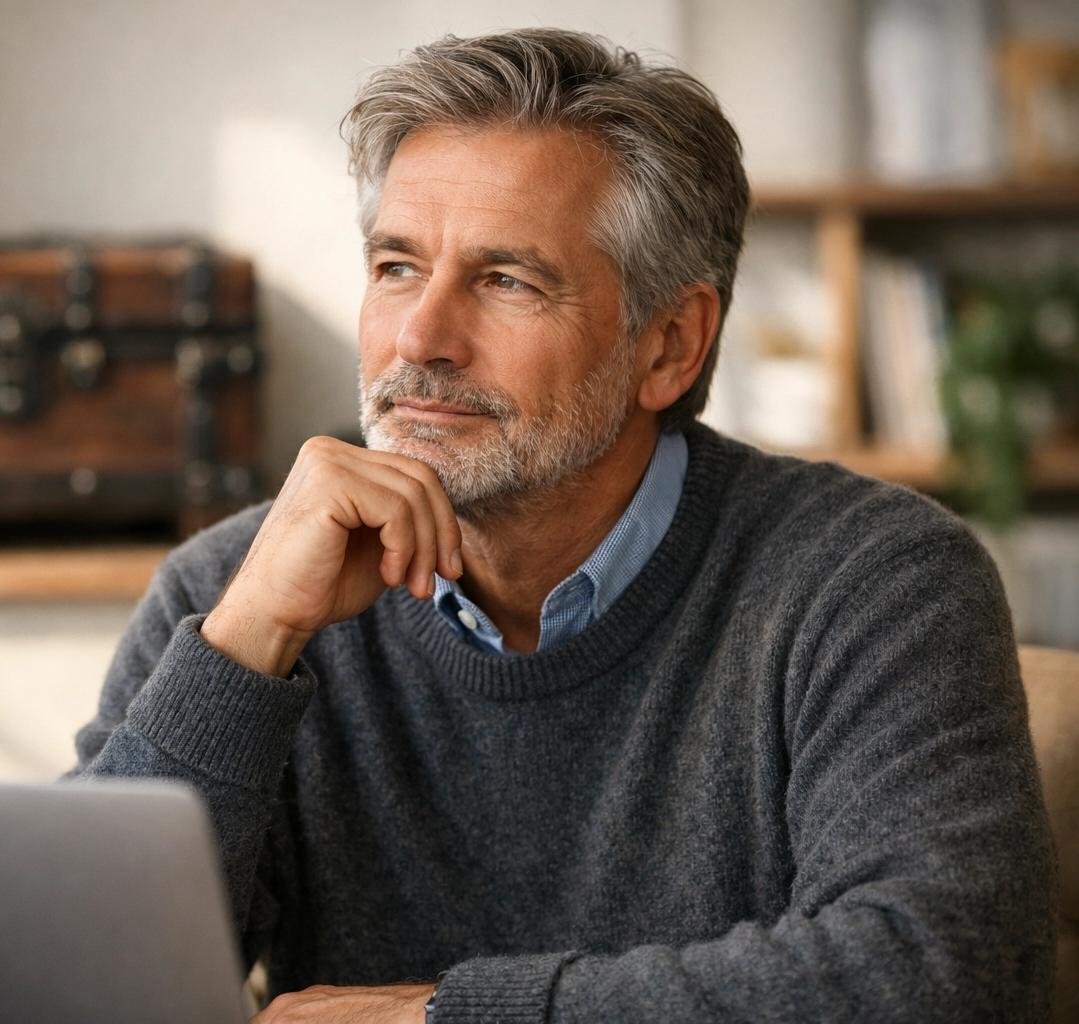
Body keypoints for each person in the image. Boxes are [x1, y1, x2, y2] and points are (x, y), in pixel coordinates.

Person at [75, 28, 1055, 1023]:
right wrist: (248, 646)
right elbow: (72, 981)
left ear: (670, 345)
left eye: (506, 280)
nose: (421, 337)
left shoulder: (876, 580)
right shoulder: (229, 594)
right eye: (396, 267)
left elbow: (942, 973)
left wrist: (448, 1018)